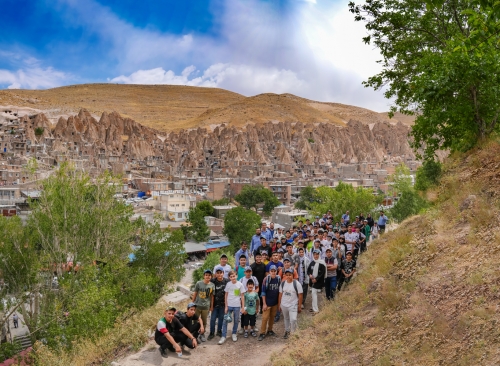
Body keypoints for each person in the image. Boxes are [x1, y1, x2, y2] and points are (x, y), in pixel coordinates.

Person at [219, 271, 245, 344]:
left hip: (237, 306)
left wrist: (242, 307)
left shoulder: (240, 285)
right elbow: (226, 295)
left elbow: (242, 296)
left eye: (234, 276)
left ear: (236, 276)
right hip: (229, 305)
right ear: (229, 278)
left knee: (236, 320)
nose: (233, 278)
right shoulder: (228, 284)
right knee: (225, 320)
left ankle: (234, 333)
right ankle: (223, 336)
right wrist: (226, 306)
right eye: (231, 277)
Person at [279, 268, 303, 339]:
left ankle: (293, 333)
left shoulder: (297, 284)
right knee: (286, 318)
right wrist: (279, 304)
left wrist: (299, 306)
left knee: (293, 319)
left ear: (293, 275)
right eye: (287, 275)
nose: (288, 276)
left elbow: (300, 295)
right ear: (285, 275)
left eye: (290, 275)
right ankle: (287, 331)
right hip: (284, 304)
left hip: (293, 304)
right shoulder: (283, 284)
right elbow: (280, 294)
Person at [191, 269, 215, 342]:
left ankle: (202, 334)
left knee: (204, 322)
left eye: (209, 275)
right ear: (204, 276)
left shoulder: (212, 285)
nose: (208, 276)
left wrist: (211, 306)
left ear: (211, 276)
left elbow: (212, 297)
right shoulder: (199, 283)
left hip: (206, 306)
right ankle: (194, 334)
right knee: (195, 321)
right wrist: (192, 303)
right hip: (197, 306)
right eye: (206, 275)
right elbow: (195, 293)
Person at [258, 265, 281, 341]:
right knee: (265, 318)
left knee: (272, 317)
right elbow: (263, 292)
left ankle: (270, 330)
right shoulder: (266, 279)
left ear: (276, 271)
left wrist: (279, 303)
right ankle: (262, 332)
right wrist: (264, 303)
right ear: (269, 272)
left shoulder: (278, 279)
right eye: (272, 271)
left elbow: (280, 292)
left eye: (275, 271)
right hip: (267, 303)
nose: (273, 272)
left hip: (275, 302)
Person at [208, 266, 229, 340]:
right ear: (216, 274)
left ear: (223, 273)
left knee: (221, 318)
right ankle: (211, 332)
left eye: (221, 273)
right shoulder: (212, 281)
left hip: (223, 304)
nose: (219, 274)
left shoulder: (227, 281)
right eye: (218, 273)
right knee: (213, 319)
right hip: (214, 304)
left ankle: (219, 331)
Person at [307, 249, 326, 315]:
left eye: (317, 254)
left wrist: (316, 279)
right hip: (312, 281)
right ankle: (314, 307)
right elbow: (308, 270)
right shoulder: (312, 262)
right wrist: (310, 275)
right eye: (314, 254)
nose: (316, 256)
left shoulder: (322, 263)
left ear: (319, 255)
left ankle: (316, 309)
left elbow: (322, 272)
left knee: (314, 293)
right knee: (313, 294)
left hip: (318, 281)